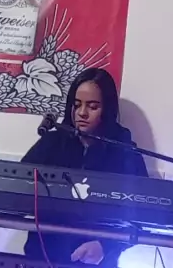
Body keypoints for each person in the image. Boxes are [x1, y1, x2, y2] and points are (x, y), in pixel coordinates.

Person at [21, 68, 149, 266]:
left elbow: (141, 216)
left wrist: (106, 246)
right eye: (77, 104)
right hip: (42, 257)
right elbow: (15, 190)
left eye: (92, 106)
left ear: (107, 110)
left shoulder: (124, 152)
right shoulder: (51, 142)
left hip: (96, 262)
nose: (82, 113)